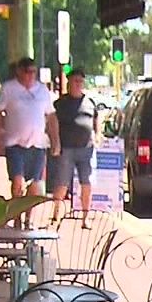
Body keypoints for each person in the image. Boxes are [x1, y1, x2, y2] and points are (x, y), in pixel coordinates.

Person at [0, 57, 60, 201]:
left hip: (37, 144)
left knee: (34, 185)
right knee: (17, 182)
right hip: (14, 143)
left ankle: (28, 213)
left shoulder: (42, 90)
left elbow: (51, 116)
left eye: (33, 72)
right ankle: (16, 211)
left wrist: (55, 140)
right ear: (19, 72)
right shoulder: (9, 88)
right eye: (27, 71)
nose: (30, 75)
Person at [50, 68, 99, 227]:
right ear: (69, 83)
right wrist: (56, 142)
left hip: (86, 148)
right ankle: (56, 213)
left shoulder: (90, 102)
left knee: (87, 183)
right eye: (75, 81)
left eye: (80, 81)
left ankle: (85, 217)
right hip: (67, 148)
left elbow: (96, 120)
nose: (78, 84)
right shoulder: (60, 103)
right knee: (62, 182)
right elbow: (52, 122)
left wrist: (97, 135)